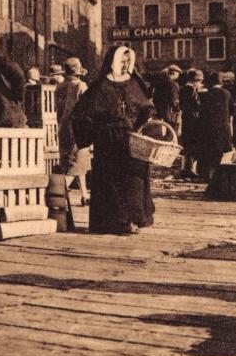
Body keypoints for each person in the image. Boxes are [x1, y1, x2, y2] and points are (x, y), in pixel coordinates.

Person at [71, 46, 155, 235]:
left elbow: (147, 107)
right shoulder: (100, 86)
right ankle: (116, 222)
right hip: (108, 142)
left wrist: (143, 124)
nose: (125, 65)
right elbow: (80, 114)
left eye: (128, 61)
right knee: (112, 183)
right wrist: (92, 135)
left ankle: (133, 219)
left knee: (134, 181)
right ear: (113, 62)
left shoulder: (134, 83)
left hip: (132, 140)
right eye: (122, 61)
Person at [56, 57, 91, 204]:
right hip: (79, 130)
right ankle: (54, 194)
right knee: (75, 165)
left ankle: (84, 195)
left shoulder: (60, 86)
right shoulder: (82, 86)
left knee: (75, 163)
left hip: (63, 128)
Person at [199, 70, 233, 180]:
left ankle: (211, 176)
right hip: (224, 128)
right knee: (223, 153)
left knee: (210, 153)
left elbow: (202, 112)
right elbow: (232, 110)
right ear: (221, 82)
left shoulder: (206, 95)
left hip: (209, 128)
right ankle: (224, 176)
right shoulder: (226, 93)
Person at [179, 68, 204, 178]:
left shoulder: (183, 89)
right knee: (194, 145)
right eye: (199, 80)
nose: (200, 83)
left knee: (186, 145)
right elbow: (197, 104)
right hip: (194, 121)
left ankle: (184, 168)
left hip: (186, 120)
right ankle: (191, 169)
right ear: (195, 80)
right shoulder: (191, 90)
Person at [152, 64, 182, 130]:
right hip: (168, 111)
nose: (178, 76)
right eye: (178, 74)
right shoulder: (173, 84)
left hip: (159, 110)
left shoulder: (160, 83)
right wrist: (178, 109)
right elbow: (174, 100)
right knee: (171, 130)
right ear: (174, 73)